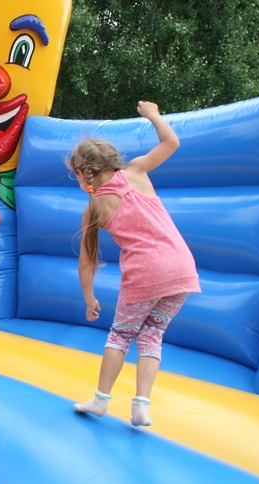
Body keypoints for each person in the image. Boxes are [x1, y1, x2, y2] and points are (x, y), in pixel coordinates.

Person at [68, 101, 200, 427]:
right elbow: (171, 142)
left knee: (121, 335)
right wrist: (153, 116)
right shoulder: (137, 171)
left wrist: (89, 297)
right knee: (153, 333)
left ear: (83, 173)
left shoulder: (95, 206)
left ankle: (101, 400)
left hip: (146, 272)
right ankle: (141, 406)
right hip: (182, 268)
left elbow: (86, 262)